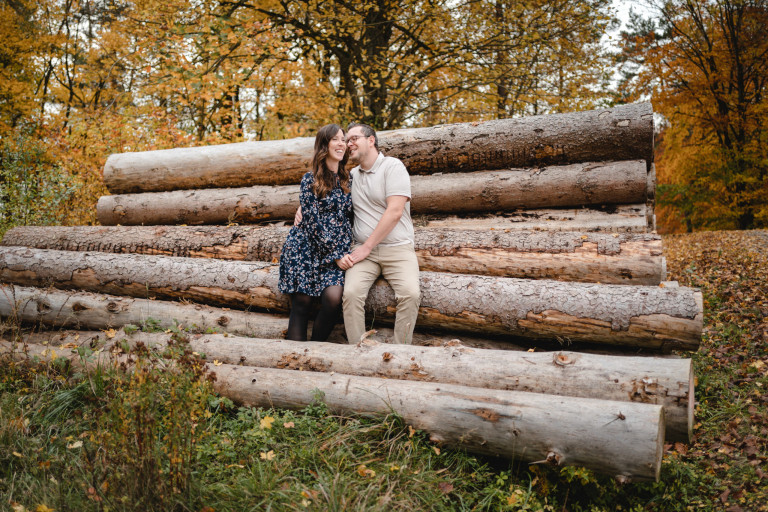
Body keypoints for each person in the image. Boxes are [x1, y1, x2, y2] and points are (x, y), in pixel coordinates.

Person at [336, 122, 420, 344]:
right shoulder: (351, 175)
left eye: (354, 138)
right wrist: (301, 209)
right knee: (351, 294)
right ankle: (359, 349)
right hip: (364, 253)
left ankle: (401, 352)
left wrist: (366, 247)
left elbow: (395, 211)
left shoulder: (393, 167)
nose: (348, 144)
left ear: (371, 140)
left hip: (398, 249)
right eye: (346, 140)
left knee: (410, 295)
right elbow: (325, 196)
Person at [278, 124, 353, 341]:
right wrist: (336, 254)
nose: (341, 144)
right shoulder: (309, 179)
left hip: (335, 251)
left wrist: (340, 252)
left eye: (343, 139)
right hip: (306, 247)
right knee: (302, 303)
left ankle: (314, 350)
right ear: (324, 145)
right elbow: (311, 221)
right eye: (335, 140)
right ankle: (295, 362)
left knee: (333, 299)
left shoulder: (349, 180)